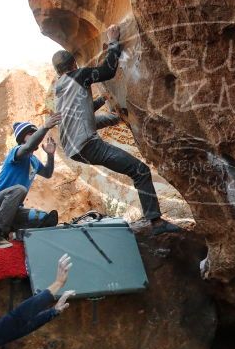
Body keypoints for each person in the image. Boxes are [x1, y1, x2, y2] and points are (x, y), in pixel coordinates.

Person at [52, 24, 180, 235]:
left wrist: (107, 104)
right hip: (87, 145)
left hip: (75, 149)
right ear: (74, 64)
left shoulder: (61, 88)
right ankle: (156, 223)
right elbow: (108, 70)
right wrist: (113, 42)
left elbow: (84, 113)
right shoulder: (79, 76)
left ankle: (150, 218)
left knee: (134, 168)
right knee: (139, 171)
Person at [0, 113, 63, 248]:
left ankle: (16, 235)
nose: (34, 135)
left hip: (12, 209)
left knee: (42, 217)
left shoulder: (34, 161)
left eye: (35, 132)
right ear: (22, 138)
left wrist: (50, 155)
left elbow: (48, 173)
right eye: (30, 133)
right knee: (19, 189)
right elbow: (28, 147)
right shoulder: (17, 151)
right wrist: (45, 127)